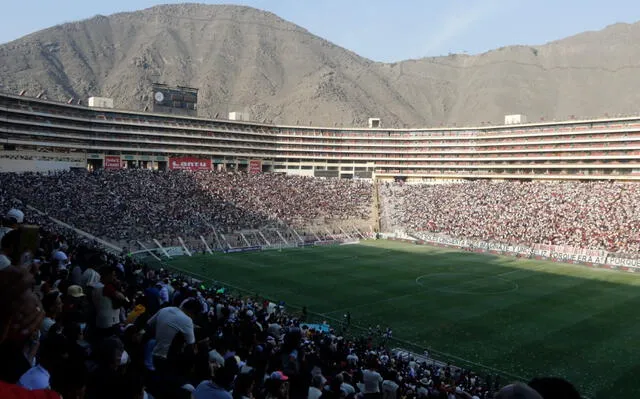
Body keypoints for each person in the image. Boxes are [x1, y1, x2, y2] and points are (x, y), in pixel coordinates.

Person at [147, 297, 201, 373]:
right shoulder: (187, 320)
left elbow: (149, 324)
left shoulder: (165, 309)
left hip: (153, 352)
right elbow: (191, 344)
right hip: (166, 359)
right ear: (192, 311)